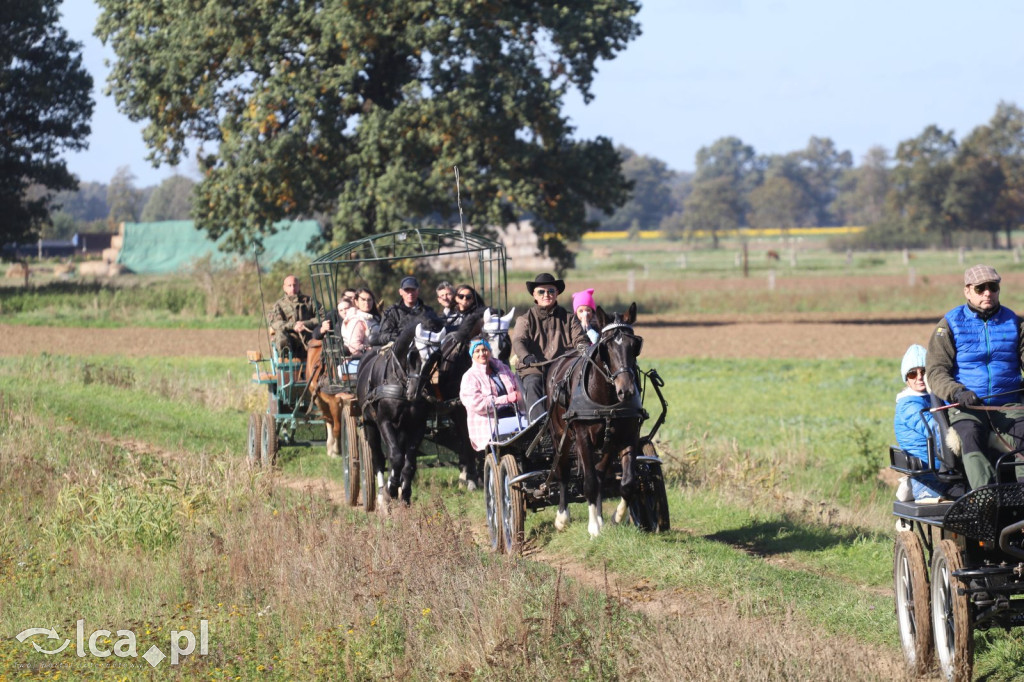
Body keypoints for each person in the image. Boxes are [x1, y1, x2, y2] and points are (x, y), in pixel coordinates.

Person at [926, 264, 1024, 490]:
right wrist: (958, 392)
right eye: (981, 289)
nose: (988, 292)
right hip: (967, 407)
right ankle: (985, 498)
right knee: (970, 435)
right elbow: (935, 371)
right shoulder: (949, 324)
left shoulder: (1015, 322)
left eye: (993, 287)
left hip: (1007, 404)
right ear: (967, 291)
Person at [511, 272, 588, 420]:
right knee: (533, 383)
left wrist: (583, 348)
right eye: (541, 291)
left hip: (563, 368)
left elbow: (580, 340)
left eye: (551, 291)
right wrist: (526, 357)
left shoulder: (569, 318)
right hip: (535, 368)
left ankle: (581, 423)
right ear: (534, 295)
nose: (546, 294)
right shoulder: (525, 319)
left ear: (557, 293)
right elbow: (518, 341)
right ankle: (539, 428)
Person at [894, 344, 950, 502]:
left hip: (943, 473)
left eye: (924, 371)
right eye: (913, 374)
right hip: (929, 480)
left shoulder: (932, 397)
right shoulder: (909, 405)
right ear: (906, 379)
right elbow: (937, 429)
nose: (919, 377)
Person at [459, 336, 525, 458]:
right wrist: (507, 398)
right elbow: (478, 404)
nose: (482, 353)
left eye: (484, 349)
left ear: (489, 351)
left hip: (513, 414)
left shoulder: (502, 368)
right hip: (489, 422)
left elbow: (517, 385)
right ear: (471, 355)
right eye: (477, 351)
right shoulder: (469, 377)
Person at [370, 275, 438, 346]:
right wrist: (396, 337)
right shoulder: (393, 312)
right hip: (399, 350)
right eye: (407, 290)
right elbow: (383, 335)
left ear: (418, 291)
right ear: (400, 292)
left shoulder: (428, 311)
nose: (410, 294)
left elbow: (437, 332)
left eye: (413, 290)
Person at [269, 274, 317, 360]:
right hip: (291, 342)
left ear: (299, 286)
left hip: (310, 338)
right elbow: (276, 323)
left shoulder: (310, 301)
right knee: (280, 334)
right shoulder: (279, 305)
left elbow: (322, 317)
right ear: (284, 288)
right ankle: (287, 363)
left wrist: (306, 324)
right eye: (289, 285)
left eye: (295, 285)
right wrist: (293, 326)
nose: (292, 288)